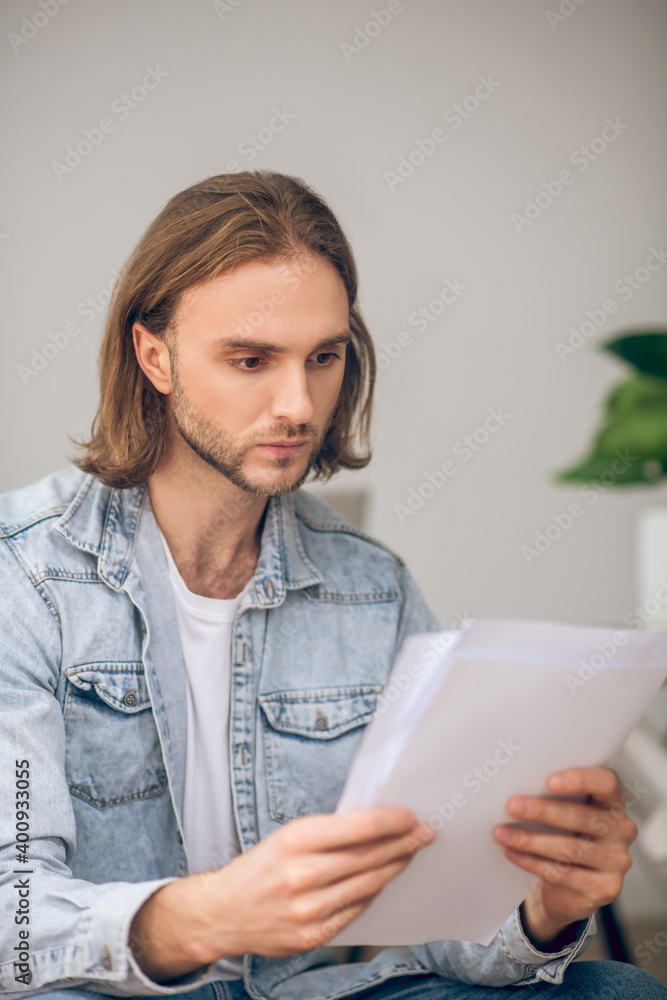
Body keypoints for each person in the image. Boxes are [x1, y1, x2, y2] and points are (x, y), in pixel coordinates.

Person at [0, 170, 664, 1000]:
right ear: (154, 355)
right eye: (250, 360)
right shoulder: (21, 573)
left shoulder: (368, 588)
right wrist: (204, 918)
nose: (297, 404)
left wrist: (545, 906)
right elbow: (12, 924)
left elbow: (438, 928)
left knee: (620, 993)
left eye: (323, 358)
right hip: (97, 994)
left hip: (301, 994)